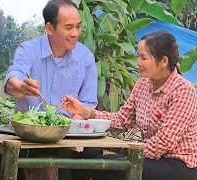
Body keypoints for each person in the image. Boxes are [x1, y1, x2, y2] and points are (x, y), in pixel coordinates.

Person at [62, 30, 197, 180]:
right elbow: (122, 120)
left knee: (111, 168)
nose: (138, 62)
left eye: (143, 57)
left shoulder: (183, 90)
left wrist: (125, 150)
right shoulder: (143, 83)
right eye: (138, 56)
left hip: (178, 164)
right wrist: (86, 112)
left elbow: (163, 143)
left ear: (164, 61)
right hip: (150, 159)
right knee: (93, 163)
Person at [0, 0, 100, 179]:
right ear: (50, 28)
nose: (75, 34)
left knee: (92, 153)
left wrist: (69, 123)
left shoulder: (86, 57)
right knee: (2, 155)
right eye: (68, 27)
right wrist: (22, 87)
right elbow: (12, 80)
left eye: (78, 27)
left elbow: (88, 104)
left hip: (68, 133)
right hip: (29, 134)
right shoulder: (28, 49)